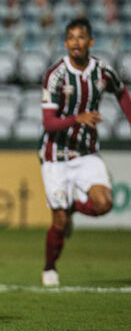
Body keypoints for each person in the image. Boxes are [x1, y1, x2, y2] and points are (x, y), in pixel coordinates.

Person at [39, 17, 131, 287]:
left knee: (104, 204)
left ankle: (71, 208)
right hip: (55, 155)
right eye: (71, 38)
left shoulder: (102, 71)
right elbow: (49, 123)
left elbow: (122, 93)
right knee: (58, 222)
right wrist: (77, 119)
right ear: (65, 43)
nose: (76, 43)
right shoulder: (56, 75)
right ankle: (49, 267)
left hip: (87, 152)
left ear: (90, 42)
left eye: (81, 37)